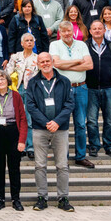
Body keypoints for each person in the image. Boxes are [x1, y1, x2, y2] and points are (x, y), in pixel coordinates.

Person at [24, 52, 76, 212]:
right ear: (38, 64)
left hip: (60, 129)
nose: (45, 64)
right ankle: (42, 198)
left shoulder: (64, 81)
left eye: (48, 61)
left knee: (62, 165)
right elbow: (30, 105)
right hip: (40, 129)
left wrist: (57, 122)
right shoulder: (33, 82)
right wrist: (46, 122)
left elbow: (70, 103)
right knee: (40, 165)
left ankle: (63, 198)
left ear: (52, 62)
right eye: (42, 62)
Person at [49, 21, 95, 169]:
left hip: (81, 88)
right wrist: (78, 62)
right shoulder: (54, 45)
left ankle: (80, 156)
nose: (67, 33)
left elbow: (89, 65)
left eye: (69, 30)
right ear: (59, 33)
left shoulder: (82, 45)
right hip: (62, 89)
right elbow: (56, 64)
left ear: (73, 31)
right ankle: (63, 158)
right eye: (63, 31)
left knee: (80, 124)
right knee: (62, 124)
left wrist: (66, 65)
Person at [0, 70, 27, 210]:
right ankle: (0, 199)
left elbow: (23, 118)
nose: (0, 81)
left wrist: (22, 140)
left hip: (13, 132)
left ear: (7, 81)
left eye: (3, 79)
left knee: (14, 169)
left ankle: (16, 199)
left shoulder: (16, 95)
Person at [86, 20, 111, 158]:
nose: (97, 30)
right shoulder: (85, 46)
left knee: (110, 120)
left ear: (104, 31)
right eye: (94, 28)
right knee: (91, 120)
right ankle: (94, 145)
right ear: (90, 31)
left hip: (109, 88)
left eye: (99, 28)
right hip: (90, 88)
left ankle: (109, 146)